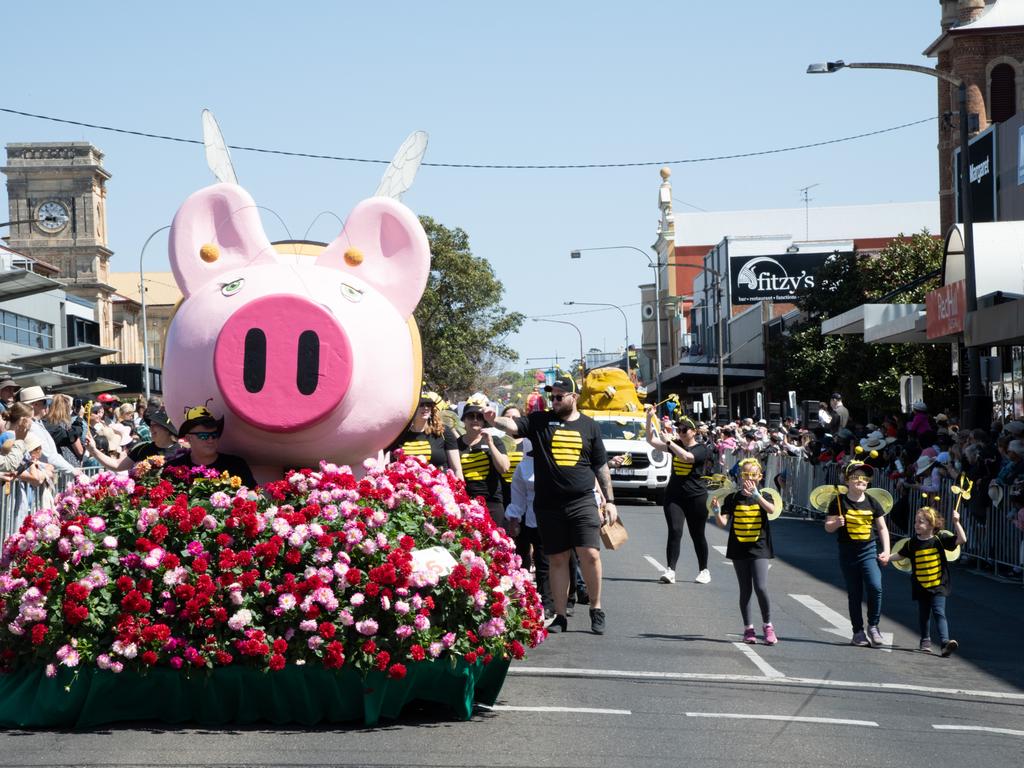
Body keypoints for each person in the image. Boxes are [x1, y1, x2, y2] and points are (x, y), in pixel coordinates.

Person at [484, 376, 613, 635]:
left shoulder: (590, 427)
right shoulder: (539, 421)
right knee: (557, 559)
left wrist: (610, 501)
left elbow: (600, 465)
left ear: (573, 397)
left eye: (558, 396)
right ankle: (560, 614)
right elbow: (512, 425)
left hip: (582, 501)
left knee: (590, 554)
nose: (553, 401)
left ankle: (596, 608)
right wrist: (492, 418)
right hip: (548, 505)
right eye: (551, 396)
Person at [824, 460, 891, 648]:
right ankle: (858, 632)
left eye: (864, 477)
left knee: (875, 587)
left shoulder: (872, 501)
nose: (861, 480)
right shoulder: (839, 502)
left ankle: (873, 626)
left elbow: (882, 528)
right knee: (854, 593)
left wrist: (886, 551)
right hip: (848, 553)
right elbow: (828, 527)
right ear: (847, 481)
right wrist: (836, 523)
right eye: (856, 477)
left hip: (868, 550)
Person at [712, 457, 778, 645]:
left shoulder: (765, 495)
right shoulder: (733, 498)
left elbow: (771, 510)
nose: (749, 478)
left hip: (760, 547)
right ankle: (748, 628)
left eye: (753, 475)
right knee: (745, 589)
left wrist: (756, 495)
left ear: (760, 476)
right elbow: (723, 523)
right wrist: (717, 512)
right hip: (738, 547)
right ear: (741, 476)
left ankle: (768, 625)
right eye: (746, 474)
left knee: (761, 586)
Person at [644, 408, 711, 584]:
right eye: (678, 429)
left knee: (697, 535)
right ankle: (670, 570)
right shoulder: (675, 444)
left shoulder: (702, 449)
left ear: (694, 432)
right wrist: (649, 418)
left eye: (684, 430)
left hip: (697, 497)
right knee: (675, 531)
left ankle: (704, 570)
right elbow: (651, 440)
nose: (680, 433)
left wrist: (670, 443)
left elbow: (688, 457)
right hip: (675, 496)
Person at [897, 505, 967, 656]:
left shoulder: (939, 539)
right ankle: (925, 640)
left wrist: (956, 522)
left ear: (931, 524)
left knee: (939, 612)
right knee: (924, 614)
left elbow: (962, 539)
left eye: (920, 522)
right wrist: (885, 558)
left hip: (939, 584)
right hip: (921, 585)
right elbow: (901, 555)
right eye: (915, 521)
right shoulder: (912, 542)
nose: (916, 524)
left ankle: (945, 643)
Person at [504, 438, 553, 616]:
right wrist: (514, 519)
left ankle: (553, 600)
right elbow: (517, 495)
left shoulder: (553, 464)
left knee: (547, 562)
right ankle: (526, 599)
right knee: (525, 560)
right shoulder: (523, 467)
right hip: (528, 517)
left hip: (551, 518)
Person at [163, 405, 256, 488]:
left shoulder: (236, 465)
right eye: (203, 436)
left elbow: (253, 494)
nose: (211, 440)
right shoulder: (173, 468)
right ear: (189, 438)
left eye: (214, 435)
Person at [385, 391, 463, 479]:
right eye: (421, 405)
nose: (425, 408)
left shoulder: (443, 431)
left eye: (428, 405)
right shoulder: (398, 434)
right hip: (406, 488)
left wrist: (460, 490)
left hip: (440, 488)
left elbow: (457, 469)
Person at [457, 402, 510, 526]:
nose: (475, 420)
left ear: (484, 421)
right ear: (464, 420)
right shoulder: (455, 444)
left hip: (493, 502)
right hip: (467, 503)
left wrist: (490, 444)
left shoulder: (495, 441)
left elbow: (504, 468)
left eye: (479, 417)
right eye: (471, 416)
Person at [86, 407, 181, 471]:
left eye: (155, 425)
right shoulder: (142, 449)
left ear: (167, 429)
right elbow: (117, 465)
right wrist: (94, 451)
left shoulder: (181, 451)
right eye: (150, 425)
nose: (151, 428)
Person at [16, 386, 79, 475]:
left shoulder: (37, 423)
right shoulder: (31, 426)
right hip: (33, 478)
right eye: (45, 402)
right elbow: (48, 456)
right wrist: (73, 471)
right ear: (34, 405)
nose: (47, 406)